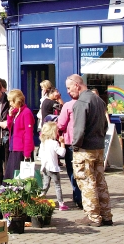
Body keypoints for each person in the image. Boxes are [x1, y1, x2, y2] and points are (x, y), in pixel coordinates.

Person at [68, 74, 113, 227]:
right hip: (99, 147)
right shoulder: (99, 101)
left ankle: (93, 216)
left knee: (87, 182)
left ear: (77, 85)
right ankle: (106, 215)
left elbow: (79, 129)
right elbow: (105, 125)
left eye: (69, 87)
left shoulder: (81, 102)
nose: (68, 91)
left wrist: (75, 145)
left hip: (85, 149)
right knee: (100, 181)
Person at [57, 83, 83, 209]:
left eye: (68, 88)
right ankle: (82, 197)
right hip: (86, 144)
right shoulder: (90, 103)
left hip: (71, 142)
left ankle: (78, 197)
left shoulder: (68, 105)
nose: (67, 91)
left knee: (73, 171)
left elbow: (61, 124)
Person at [4, 89, 35, 180]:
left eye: (11, 101)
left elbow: (28, 134)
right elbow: (11, 128)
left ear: (17, 100)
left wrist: (27, 153)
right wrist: (9, 116)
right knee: (11, 175)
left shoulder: (26, 113)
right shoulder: (16, 113)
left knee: (18, 177)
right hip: (14, 147)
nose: (10, 104)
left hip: (21, 149)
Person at [39, 121, 68, 210]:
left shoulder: (43, 143)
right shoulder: (54, 143)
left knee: (45, 185)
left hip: (45, 167)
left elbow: (40, 155)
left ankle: (39, 199)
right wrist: (62, 143)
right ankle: (61, 204)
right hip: (53, 168)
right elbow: (62, 153)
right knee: (57, 186)